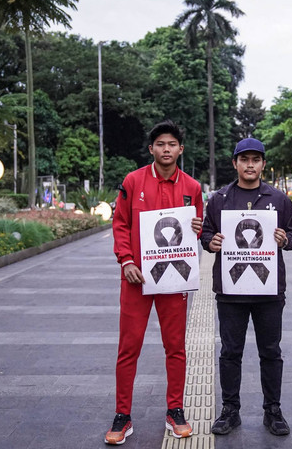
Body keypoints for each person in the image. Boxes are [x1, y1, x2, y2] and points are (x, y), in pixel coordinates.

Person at [106, 120, 204, 444]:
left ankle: (175, 410)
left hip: (174, 280)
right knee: (128, 347)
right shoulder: (133, 181)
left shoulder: (192, 187)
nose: (166, 149)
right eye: (160, 144)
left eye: (172, 144)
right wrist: (126, 260)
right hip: (137, 279)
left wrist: (198, 229)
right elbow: (120, 223)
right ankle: (122, 415)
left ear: (180, 149)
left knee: (175, 347)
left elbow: (196, 229)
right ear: (151, 149)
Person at [201, 138, 292, 436]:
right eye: (244, 159)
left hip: (268, 291)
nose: (250, 165)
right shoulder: (219, 199)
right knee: (230, 352)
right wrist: (210, 241)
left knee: (270, 351)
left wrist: (286, 239)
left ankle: (273, 410)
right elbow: (206, 232)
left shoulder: (279, 199)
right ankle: (230, 410)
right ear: (235, 164)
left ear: (263, 164)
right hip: (230, 291)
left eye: (255, 160)